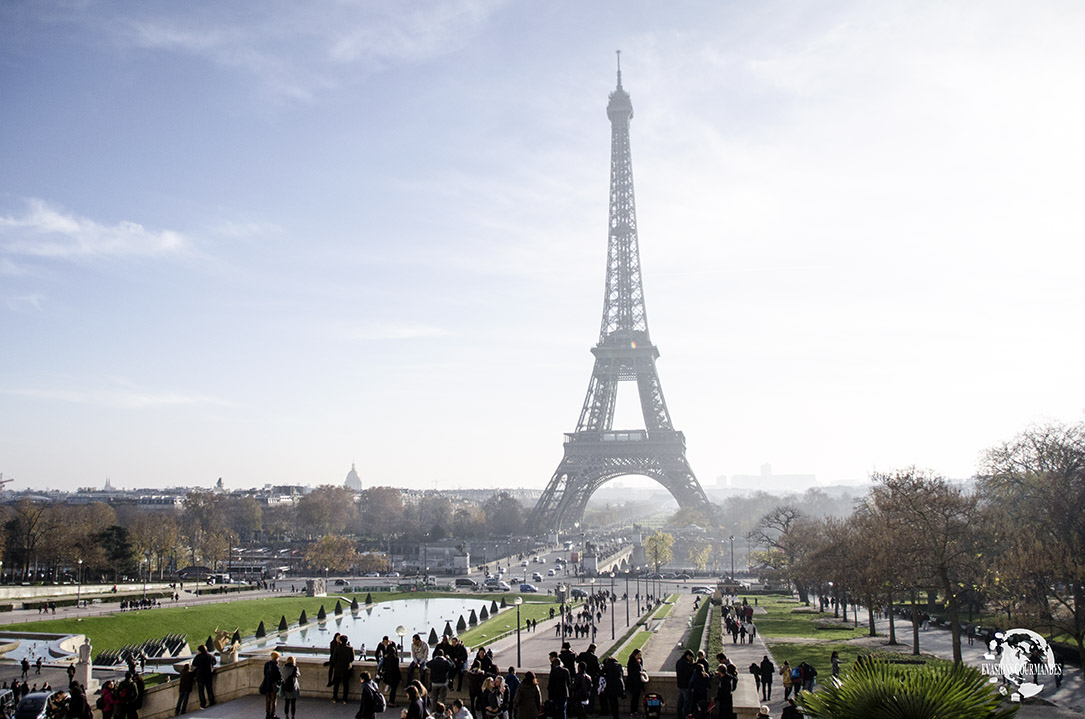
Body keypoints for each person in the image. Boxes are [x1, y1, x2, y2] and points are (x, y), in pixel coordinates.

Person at [331, 636, 355, 704]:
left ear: (340, 641)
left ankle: (334, 698)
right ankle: (345, 700)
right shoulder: (350, 648)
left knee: (336, 685)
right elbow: (352, 659)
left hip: (338, 668)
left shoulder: (337, 648)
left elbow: (334, 659)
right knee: (346, 685)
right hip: (347, 669)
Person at [547, 652, 570, 719]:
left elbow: (550, 684)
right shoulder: (566, 671)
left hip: (555, 694)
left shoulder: (553, 671)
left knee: (555, 711)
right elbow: (568, 682)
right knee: (563, 710)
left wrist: (550, 695)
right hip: (563, 693)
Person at [381, 640, 402, 708]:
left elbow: (384, 666)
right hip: (394, 676)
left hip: (388, 676)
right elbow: (397, 669)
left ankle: (390, 702)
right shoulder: (396, 659)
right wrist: (400, 678)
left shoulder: (386, 658)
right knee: (393, 690)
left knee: (391, 689)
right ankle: (391, 702)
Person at [262, 651, 283, 719]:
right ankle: (272, 714)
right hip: (273, 686)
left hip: (267, 684)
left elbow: (265, 673)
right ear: (277, 658)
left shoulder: (267, 664)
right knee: (273, 700)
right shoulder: (276, 666)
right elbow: (278, 677)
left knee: (268, 700)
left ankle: (267, 714)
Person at [626, 649, 645, 717]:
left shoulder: (640, 661)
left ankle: (635, 711)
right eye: (638, 655)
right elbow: (631, 672)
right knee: (634, 698)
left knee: (636, 698)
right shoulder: (631, 661)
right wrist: (639, 672)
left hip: (638, 683)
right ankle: (633, 712)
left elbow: (641, 668)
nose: (639, 656)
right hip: (633, 683)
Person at [675, 650, 694, 719]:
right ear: (688, 656)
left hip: (680, 684)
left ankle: (679, 716)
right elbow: (689, 674)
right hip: (686, 685)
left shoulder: (679, 661)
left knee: (680, 702)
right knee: (686, 703)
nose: (691, 659)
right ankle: (685, 716)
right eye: (691, 657)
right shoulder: (686, 663)